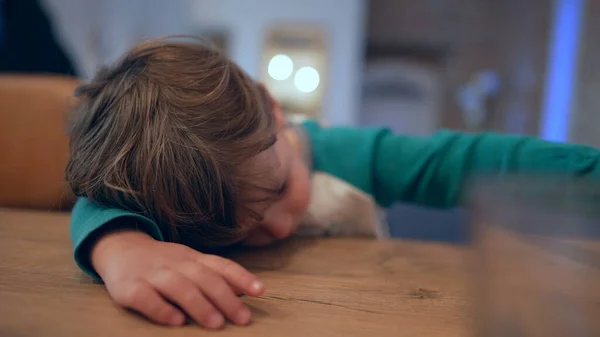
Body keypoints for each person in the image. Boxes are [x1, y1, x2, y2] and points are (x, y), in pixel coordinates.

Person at [66, 37, 600, 329]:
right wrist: (121, 247)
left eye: (277, 190)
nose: (276, 227)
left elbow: (471, 161)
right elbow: (97, 201)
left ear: (275, 113)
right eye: (237, 230)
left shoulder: (357, 155)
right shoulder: (168, 185)